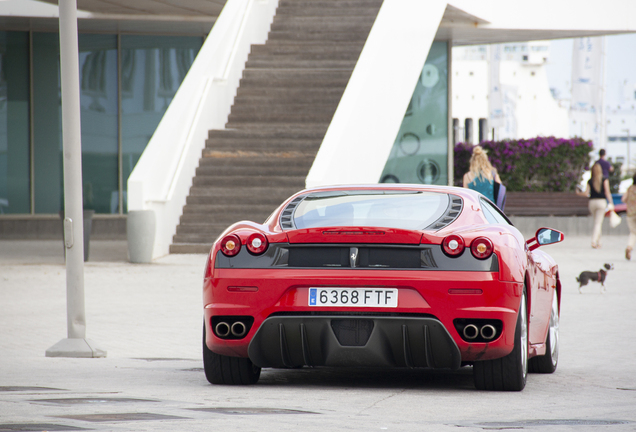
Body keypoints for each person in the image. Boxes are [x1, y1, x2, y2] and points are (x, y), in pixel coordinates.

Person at [576, 163, 614, 249]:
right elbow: (607, 192)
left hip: (592, 202)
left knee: (597, 222)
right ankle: (593, 241)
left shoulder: (590, 181)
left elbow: (586, 193)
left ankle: (599, 242)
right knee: (598, 223)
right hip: (601, 202)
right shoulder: (604, 179)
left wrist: (578, 193)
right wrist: (611, 202)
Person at [621, 173, 636, 260]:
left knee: (633, 232)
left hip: (630, 213)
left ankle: (629, 247)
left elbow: (623, 199)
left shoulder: (630, 188)